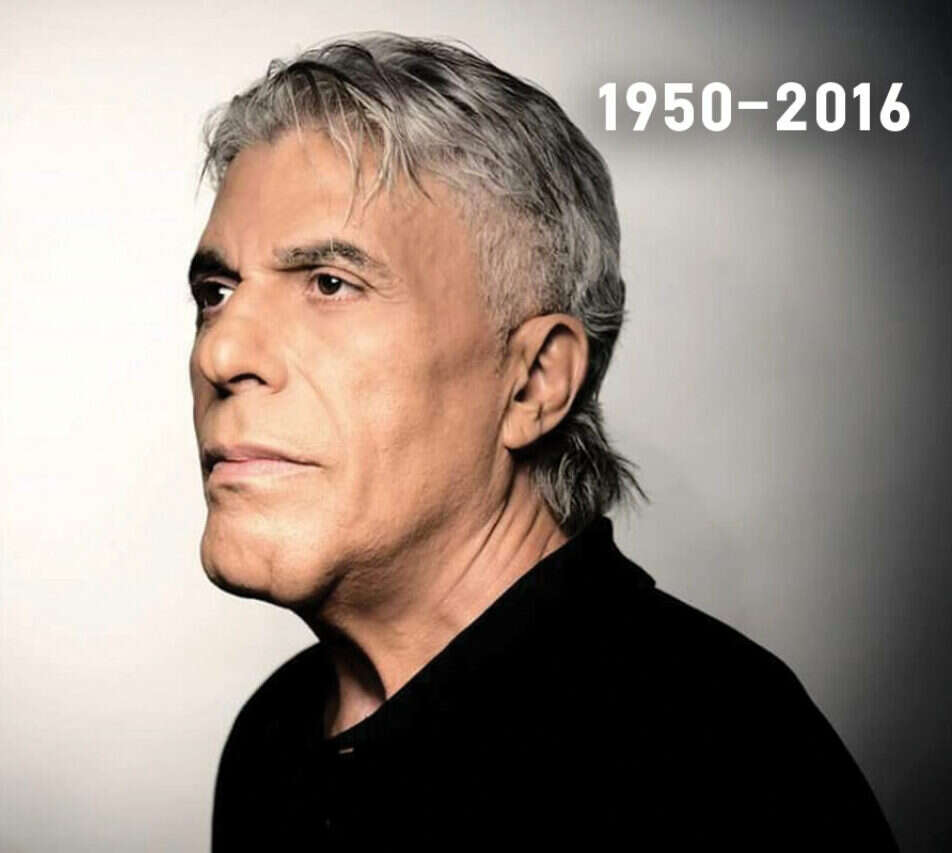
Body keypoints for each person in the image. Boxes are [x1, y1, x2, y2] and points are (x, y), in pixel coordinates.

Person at [187, 34, 895, 850]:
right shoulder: (273, 739)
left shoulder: (719, 761)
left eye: (330, 283)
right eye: (216, 292)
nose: (220, 353)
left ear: (533, 381)